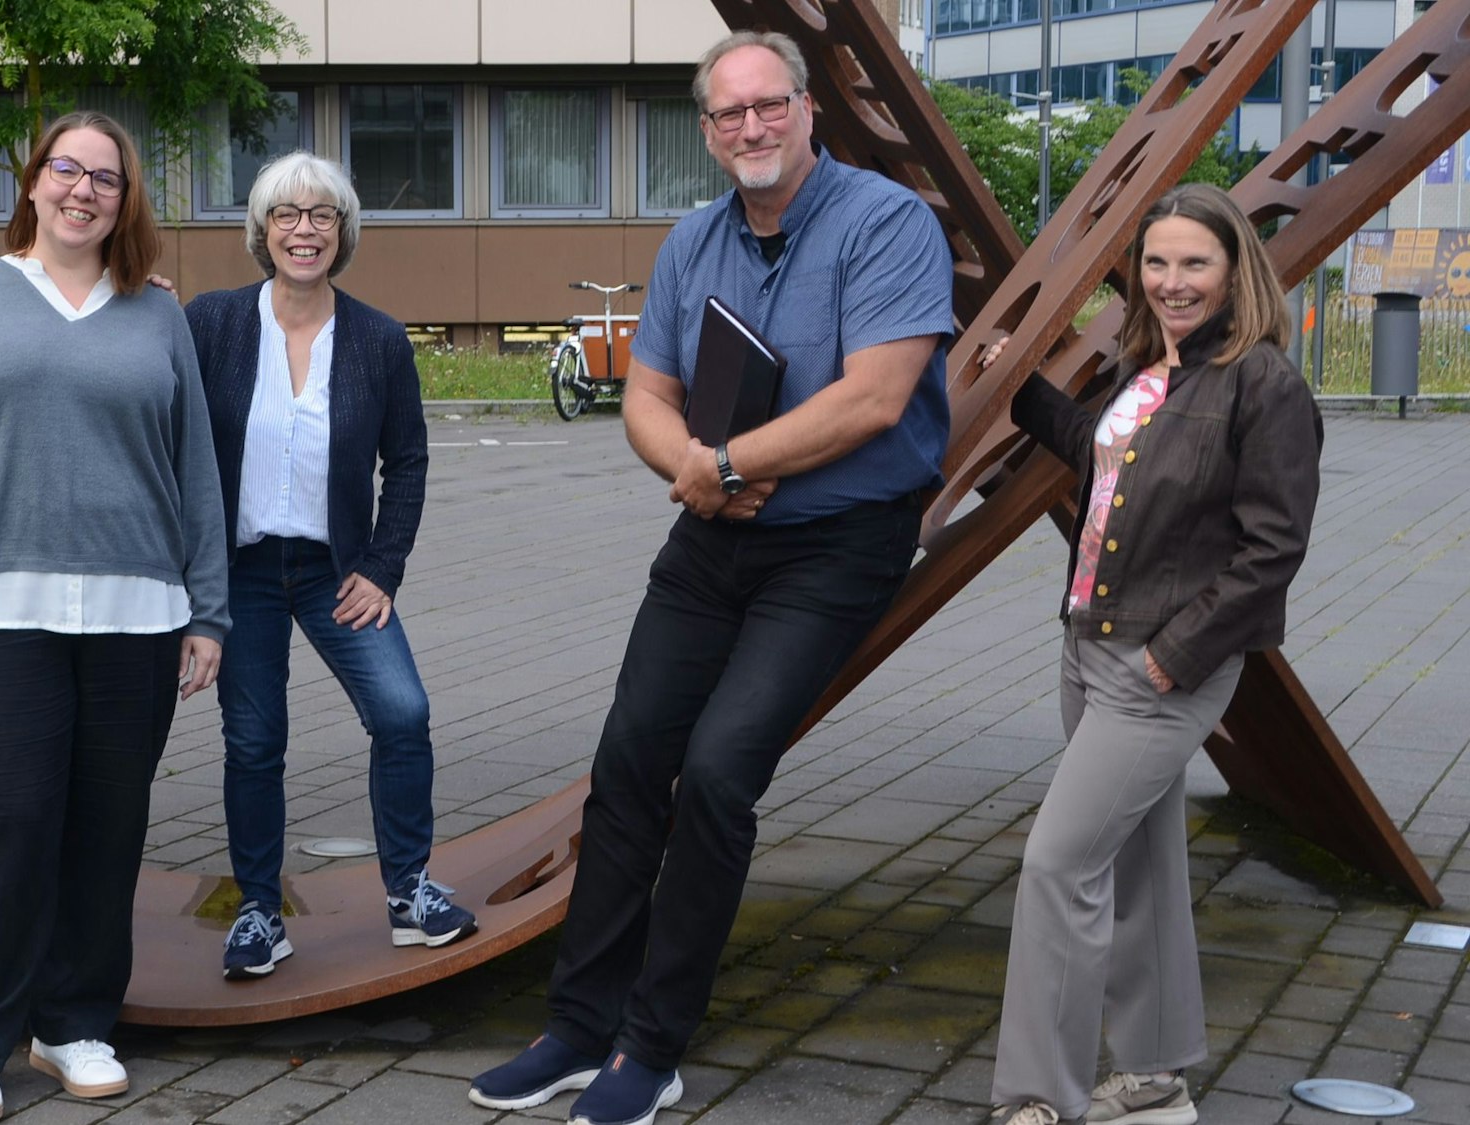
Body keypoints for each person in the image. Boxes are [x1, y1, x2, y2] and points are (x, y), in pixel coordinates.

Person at [469, 29, 954, 1125]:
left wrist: (729, 461)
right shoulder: (694, 240)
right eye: (727, 114)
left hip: (835, 543)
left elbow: (874, 398)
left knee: (721, 770)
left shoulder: (886, 223)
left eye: (766, 106)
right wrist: (689, 466)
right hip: (708, 537)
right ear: (706, 130)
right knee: (627, 761)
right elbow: (646, 395)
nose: (749, 128)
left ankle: (651, 1046)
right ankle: (573, 1028)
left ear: (805, 108)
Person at [0, 110, 227, 1123]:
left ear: (125, 201)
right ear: (31, 184)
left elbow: (194, 471)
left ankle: (73, 1024)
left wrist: (206, 612)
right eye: (65, 170)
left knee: (107, 829)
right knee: (12, 823)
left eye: (105, 178)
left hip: (136, 612)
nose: (82, 190)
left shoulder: (155, 314)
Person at [984, 183, 1322, 1125]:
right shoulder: (1146, 372)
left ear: (1235, 270)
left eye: (1195, 263)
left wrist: (1177, 655)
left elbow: (1274, 548)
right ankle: (1157, 1074)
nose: (1173, 282)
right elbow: (1092, 449)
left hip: (1160, 669)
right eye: (1157, 262)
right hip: (1087, 650)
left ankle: (1035, 1098)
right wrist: (1014, 386)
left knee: (1058, 864)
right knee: (1137, 858)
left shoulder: (1263, 383)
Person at [184, 151, 475, 981]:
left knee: (401, 710)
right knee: (254, 740)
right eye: (286, 214)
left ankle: (410, 889)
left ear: (342, 232)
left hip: (334, 570)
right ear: (262, 229)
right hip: (240, 572)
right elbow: (170, 426)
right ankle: (256, 912)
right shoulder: (214, 323)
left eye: (321, 216)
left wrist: (383, 565)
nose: (303, 229)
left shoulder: (379, 339)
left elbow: (408, 463)